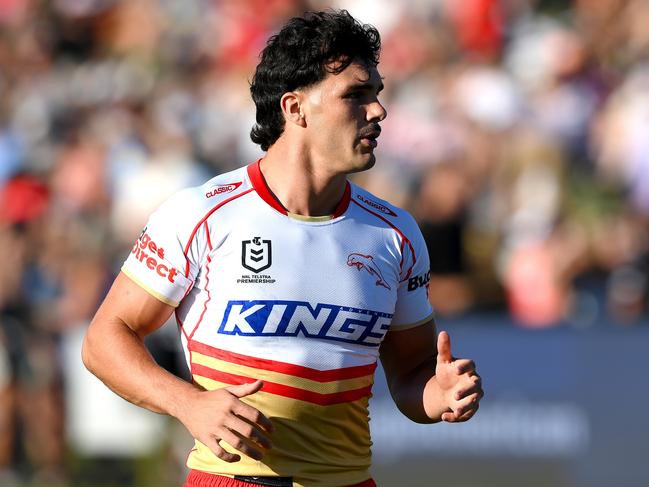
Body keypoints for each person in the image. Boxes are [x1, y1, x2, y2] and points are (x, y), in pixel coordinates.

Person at [82, 10, 483, 487]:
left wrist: (439, 396)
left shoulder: (394, 233)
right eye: (356, 95)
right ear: (295, 109)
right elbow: (104, 340)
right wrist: (186, 402)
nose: (378, 111)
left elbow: (412, 374)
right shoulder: (201, 214)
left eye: (376, 94)